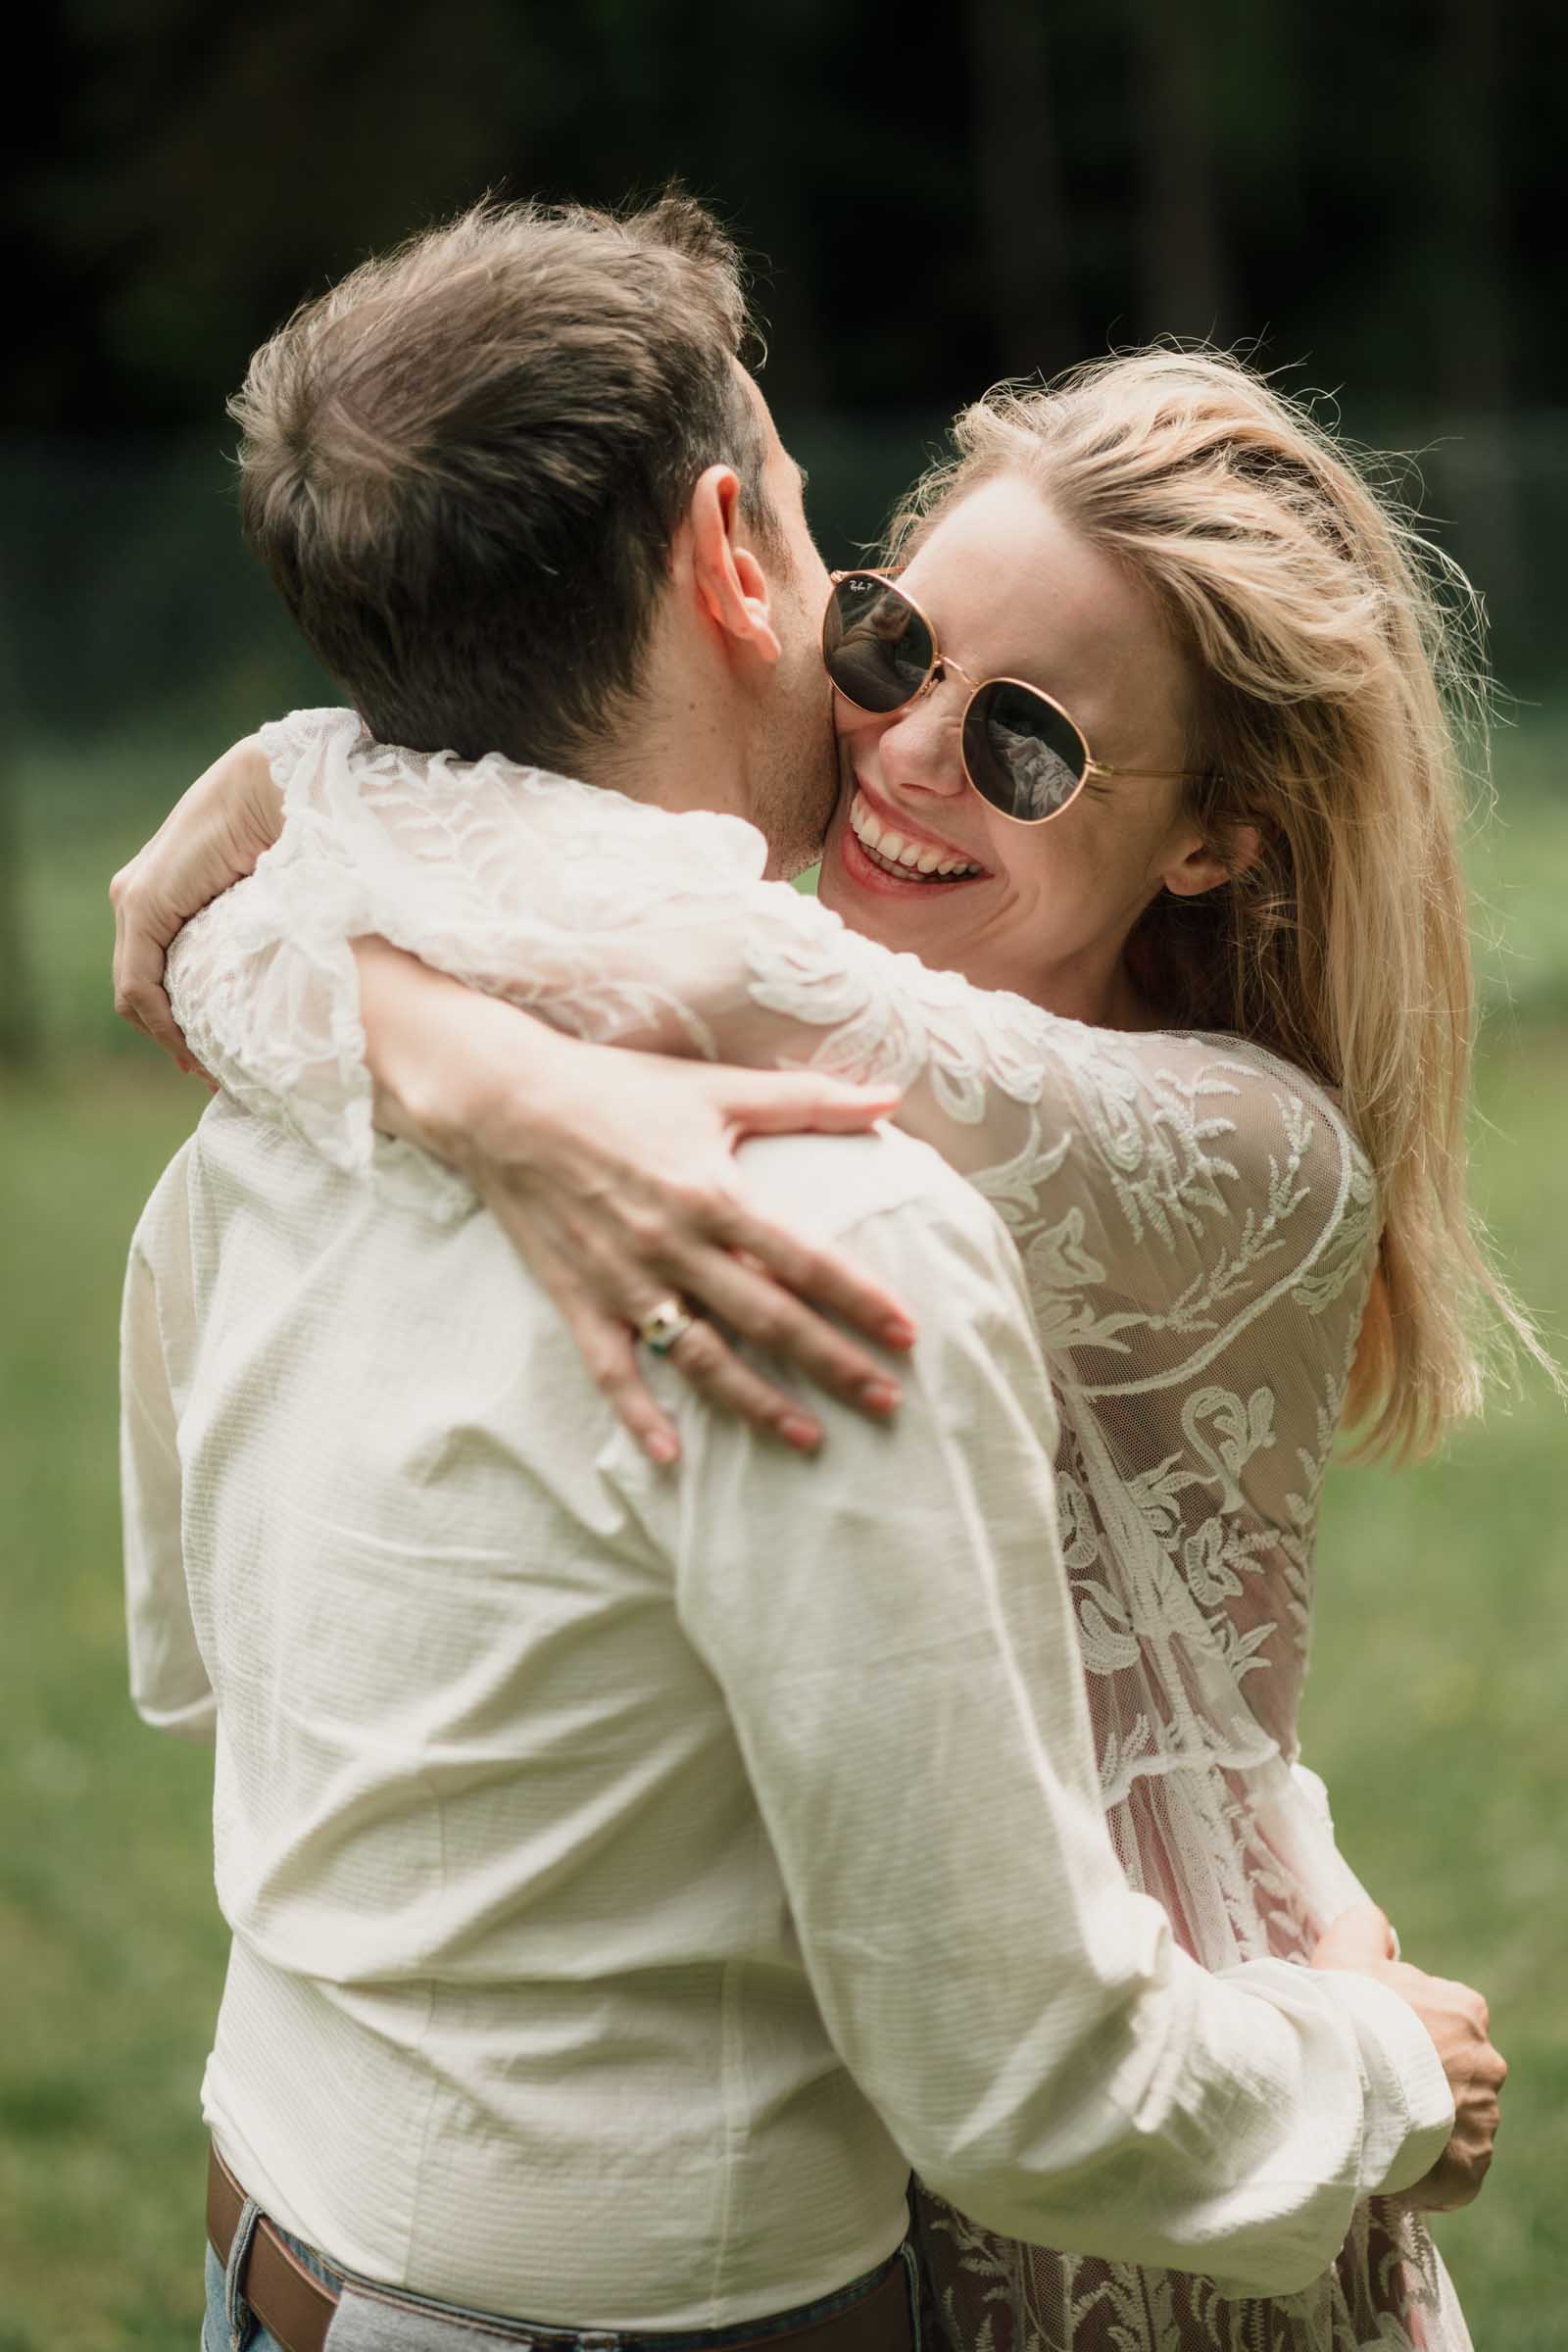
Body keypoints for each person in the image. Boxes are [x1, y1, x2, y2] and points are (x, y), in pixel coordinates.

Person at [115, 197, 1508, 2352]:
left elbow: (676, 949)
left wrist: (325, 872)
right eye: (891, 643)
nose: (912, 751)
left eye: (1027, 739)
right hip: (915, 2173)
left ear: (1218, 834)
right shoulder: (687, 1063)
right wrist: (442, 1034)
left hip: (1160, 2187)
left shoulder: (1236, 1153)